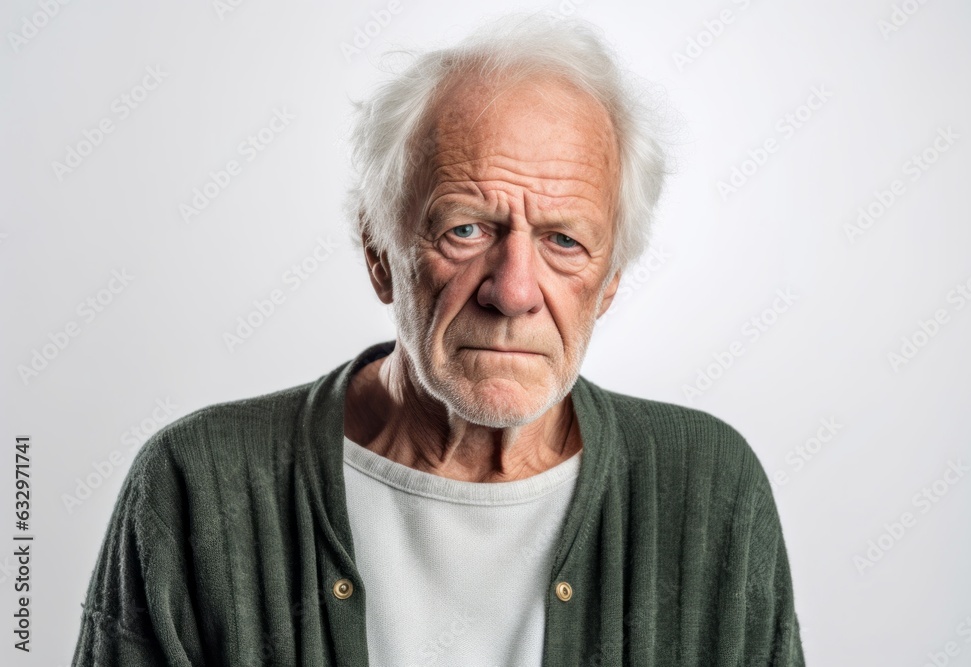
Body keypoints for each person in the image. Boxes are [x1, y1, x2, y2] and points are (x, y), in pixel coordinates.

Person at [73, 13, 805, 666]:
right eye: (466, 229)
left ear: (610, 280)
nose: (513, 290)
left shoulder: (711, 491)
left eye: (563, 240)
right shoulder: (196, 486)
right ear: (379, 252)